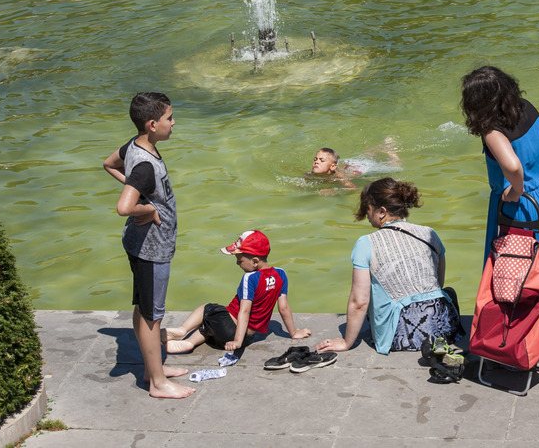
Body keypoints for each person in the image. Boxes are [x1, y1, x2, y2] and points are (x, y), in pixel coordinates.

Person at [102, 92, 195, 399]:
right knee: (152, 316)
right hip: (151, 250)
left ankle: (151, 368)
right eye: (170, 118)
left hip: (138, 244)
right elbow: (123, 207)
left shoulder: (135, 145)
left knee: (143, 309)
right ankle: (157, 382)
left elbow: (109, 163)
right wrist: (148, 208)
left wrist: (142, 195)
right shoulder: (144, 166)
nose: (173, 122)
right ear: (153, 124)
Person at [317, 177, 462, 355]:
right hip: (444, 329)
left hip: (400, 337)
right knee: (448, 292)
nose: (368, 217)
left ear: (382, 212)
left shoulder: (366, 242)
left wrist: (346, 342)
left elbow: (359, 302)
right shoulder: (429, 233)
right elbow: (438, 282)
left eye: (368, 211)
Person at [460, 66, 539, 295]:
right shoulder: (528, 108)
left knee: (512, 276)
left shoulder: (493, 132)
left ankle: (515, 328)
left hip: (520, 206)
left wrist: (516, 191)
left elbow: (513, 166)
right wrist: (538, 182)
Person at [164, 230, 312, 355]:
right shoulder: (281, 274)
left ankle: (182, 330)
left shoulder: (250, 277)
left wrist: (237, 341)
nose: (237, 264)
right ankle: (189, 343)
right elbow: (284, 307)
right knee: (210, 325)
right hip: (247, 336)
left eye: (240, 260)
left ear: (254, 261)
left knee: (207, 309)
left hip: (232, 331)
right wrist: (294, 333)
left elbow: (244, 311)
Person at [308, 138, 403, 195]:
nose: (316, 162)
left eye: (322, 160)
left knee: (395, 169)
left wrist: (335, 190)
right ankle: (378, 147)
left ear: (332, 167)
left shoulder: (338, 177)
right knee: (365, 157)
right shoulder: (311, 174)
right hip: (348, 165)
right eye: (315, 159)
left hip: (358, 169)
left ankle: (392, 153)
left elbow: (352, 187)